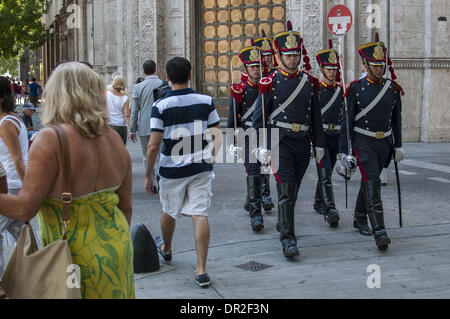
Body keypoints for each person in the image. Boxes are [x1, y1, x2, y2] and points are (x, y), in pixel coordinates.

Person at [0, 62, 135, 298]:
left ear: (56, 94)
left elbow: (24, 209)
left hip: (73, 259)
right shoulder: (112, 138)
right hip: (118, 248)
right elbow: (126, 207)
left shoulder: (50, 139)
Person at [145, 57, 222, 287]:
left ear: (167, 78)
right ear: (190, 75)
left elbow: (153, 145)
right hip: (200, 168)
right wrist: (212, 158)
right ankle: (201, 269)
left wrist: (149, 174)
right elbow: (216, 133)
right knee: (200, 214)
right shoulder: (205, 101)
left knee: (169, 211)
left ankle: (167, 248)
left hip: (172, 170)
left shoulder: (160, 106)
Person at [252, 21, 325, 259]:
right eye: (288, 55)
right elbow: (258, 119)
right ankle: (288, 240)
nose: (293, 59)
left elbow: (315, 117)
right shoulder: (269, 82)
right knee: (285, 190)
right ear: (280, 56)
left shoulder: (310, 83)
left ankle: (284, 223)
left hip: (303, 142)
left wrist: (320, 146)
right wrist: (260, 146)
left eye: (295, 55)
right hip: (279, 141)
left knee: (293, 191)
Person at [337, 34, 404, 250]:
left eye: (381, 65)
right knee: (374, 183)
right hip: (362, 142)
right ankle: (380, 231)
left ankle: (359, 217)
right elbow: (346, 122)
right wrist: (343, 152)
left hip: (383, 143)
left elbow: (396, 119)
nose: (378, 69)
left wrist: (398, 145)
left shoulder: (392, 89)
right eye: (374, 65)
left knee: (369, 181)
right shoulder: (356, 88)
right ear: (365, 64)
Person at [227, 43, 272, 232]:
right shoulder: (239, 90)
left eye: (258, 66)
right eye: (252, 67)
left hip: (267, 135)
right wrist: (232, 143)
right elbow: (232, 120)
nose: (256, 70)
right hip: (247, 135)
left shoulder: (270, 87)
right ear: (245, 68)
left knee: (265, 172)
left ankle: (251, 199)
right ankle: (256, 215)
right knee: (253, 173)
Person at [0, 76, 28, 298]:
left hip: (10, 185)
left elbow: (17, 159)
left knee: (18, 232)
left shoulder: (6, 124)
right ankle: (35, 273)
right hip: (13, 184)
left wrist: (28, 187)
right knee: (20, 233)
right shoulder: (11, 119)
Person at [312, 40, 344, 227]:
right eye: (329, 69)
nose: (332, 72)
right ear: (322, 69)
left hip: (336, 136)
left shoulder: (342, 90)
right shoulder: (316, 90)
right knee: (324, 173)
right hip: (321, 137)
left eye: (334, 69)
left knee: (328, 172)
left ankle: (318, 201)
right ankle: (330, 208)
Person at [130, 60, 163, 188]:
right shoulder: (163, 84)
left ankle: (150, 178)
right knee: (161, 153)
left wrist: (132, 130)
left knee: (146, 154)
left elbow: (134, 110)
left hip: (144, 124)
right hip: (160, 124)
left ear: (144, 72)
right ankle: (160, 174)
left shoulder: (138, 87)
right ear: (156, 69)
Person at [106, 76, 130, 145]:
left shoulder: (107, 94)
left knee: (110, 147)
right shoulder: (125, 98)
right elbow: (127, 115)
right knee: (121, 147)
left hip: (110, 123)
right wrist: (130, 130)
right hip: (121, 125)